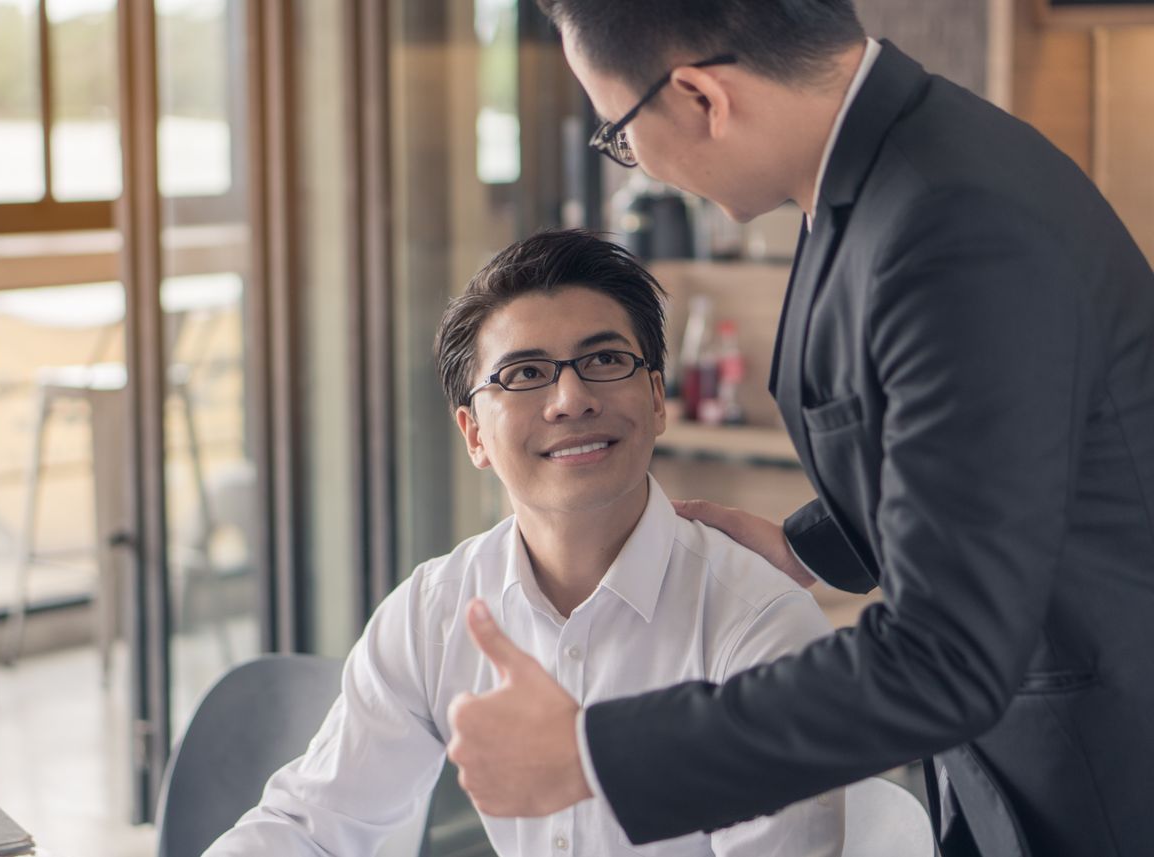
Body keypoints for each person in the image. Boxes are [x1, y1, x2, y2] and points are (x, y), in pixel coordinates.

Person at [444, 2, 1154, 856]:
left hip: (1108, 776)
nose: (640, 168)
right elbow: (978, 453)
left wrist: (593, 754)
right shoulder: (878, 173)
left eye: (620, 134)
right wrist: (813, 546)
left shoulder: (952, 222)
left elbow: (945, 657)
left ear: (703, 97)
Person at [203, 229, 845, 856]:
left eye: (604, 360)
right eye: (525, 373)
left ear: (656, 398)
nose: (570, 399)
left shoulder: (756, 623)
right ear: (473, 434)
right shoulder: (436, 610)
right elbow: (313, 824)